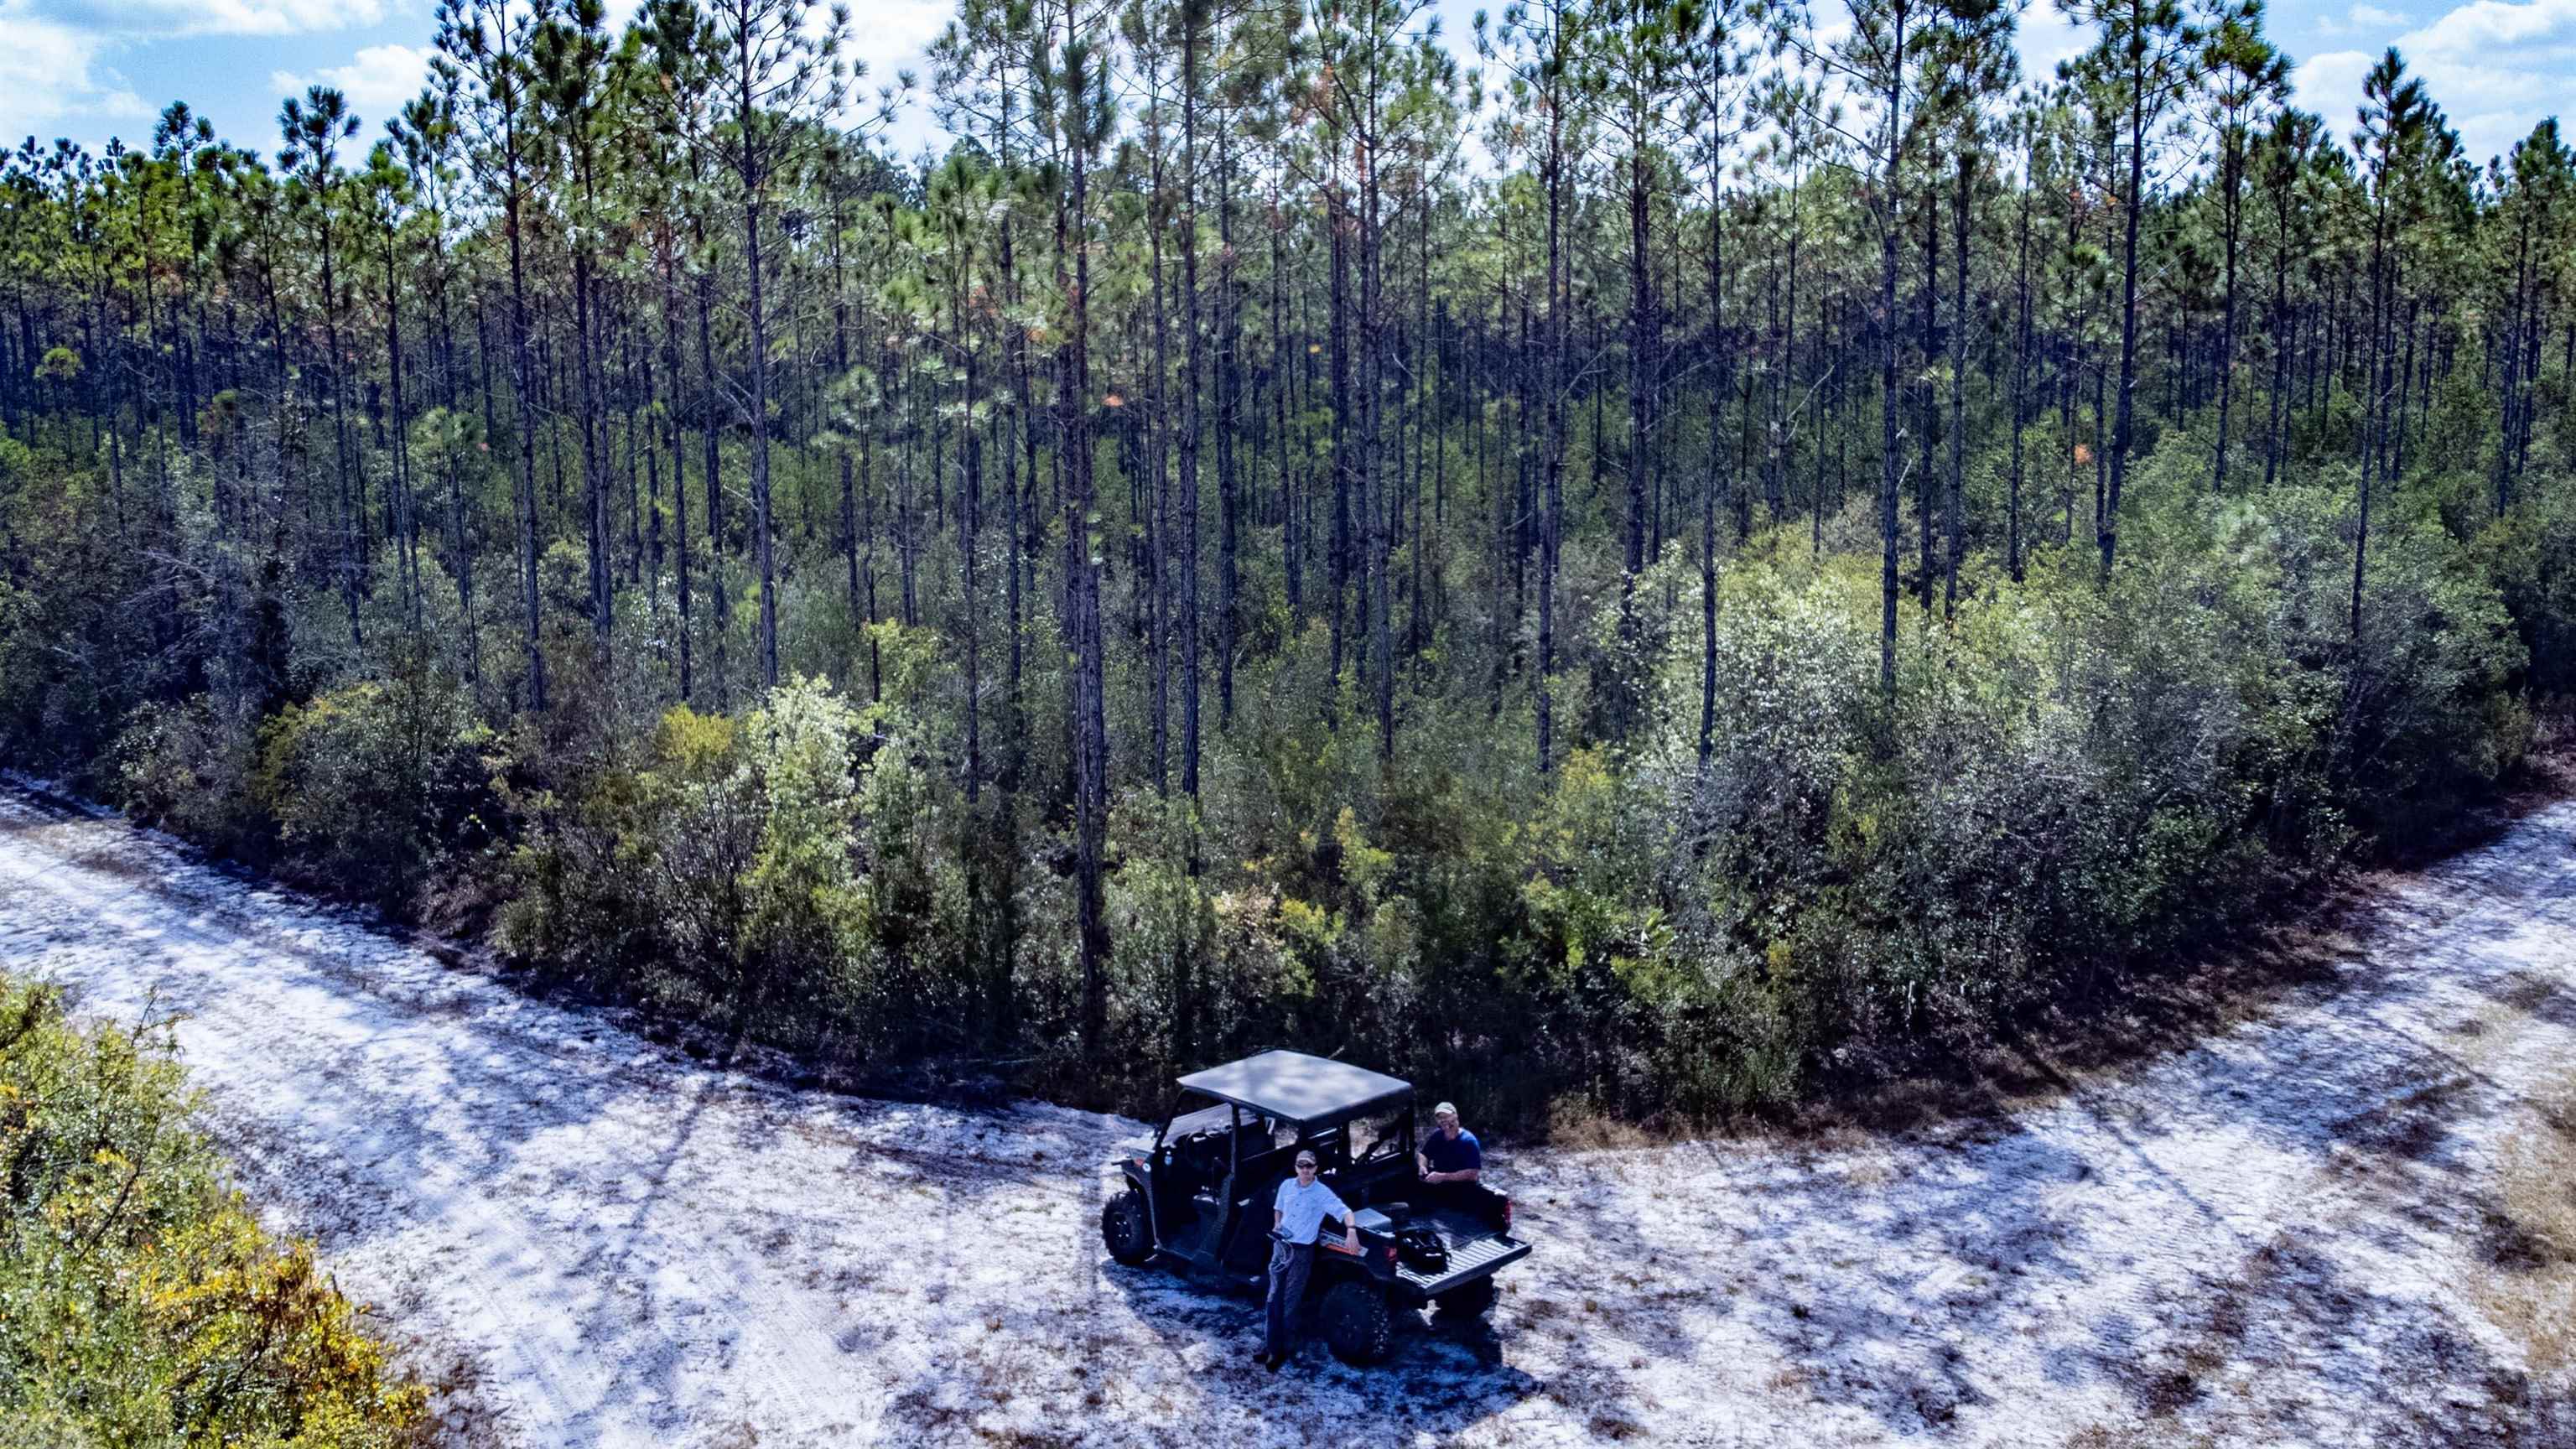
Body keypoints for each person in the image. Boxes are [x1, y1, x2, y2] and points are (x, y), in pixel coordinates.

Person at [1261, 1150, 1358, 1369]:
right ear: (1295, 1167)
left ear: (1316, 1168)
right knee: (1272, 1297)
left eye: (1309, 1166)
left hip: (1301, 1252)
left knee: (1290, 1300)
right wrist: (1277, 1223)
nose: (1305, 1170)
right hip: (1281, 1246)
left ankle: (1282, 1350)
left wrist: (1351, 1230)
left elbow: (1345, 1212)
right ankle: (1269, 1345)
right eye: (1301, 1165)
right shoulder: (1287, 1185)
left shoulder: (1322, 1193)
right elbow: (1278, 1208)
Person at [1416, 1100, 1483, 1197]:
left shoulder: (1468, 1141)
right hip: (1441, 1189)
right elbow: (1424, 1154)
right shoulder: (1437, 1135)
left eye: (1447, 1116)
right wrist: (1422, 1166)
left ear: (1455, 1116)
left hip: (1464, 1192)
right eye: (1440, 1117)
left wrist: (1443, 1177)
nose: (1443, 1120)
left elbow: (1472, 1174)